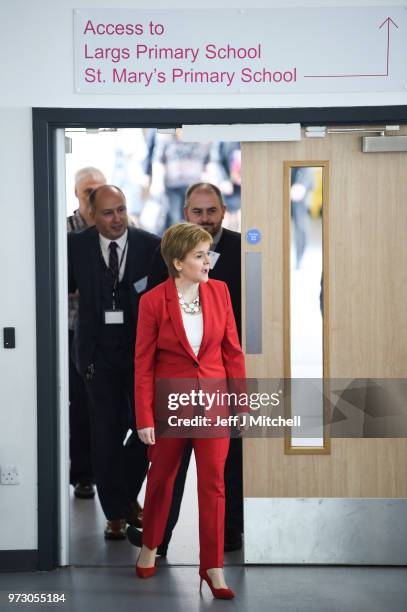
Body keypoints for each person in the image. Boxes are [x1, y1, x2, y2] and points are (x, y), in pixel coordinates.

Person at [130, 182, 243, 553]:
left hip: (214, 394)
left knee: (219, 479)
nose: (206, 218)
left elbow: (235, 347)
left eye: (212, 211)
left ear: (224, 211)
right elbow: (144, 359)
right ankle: (156, 543)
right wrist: (145, 414)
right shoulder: (158, 287)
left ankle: (221, 548)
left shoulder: (240, 257)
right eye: (198, 211)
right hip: (172, 400)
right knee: (165, 477)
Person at [68, 185, 160, 539]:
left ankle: (121, 495)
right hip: (96, 357)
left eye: (121, 209)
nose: (117, 218)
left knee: (145, 431)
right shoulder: (75, 246)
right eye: (108, 213)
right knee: (104, 435)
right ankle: (115, 515)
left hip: (140, 355)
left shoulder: (150, 245)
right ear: (93, 216)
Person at [68, 167, 106, 500]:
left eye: (99, 188)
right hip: (75, 333)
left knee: (115, 408)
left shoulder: (125, 227)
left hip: (116, 337)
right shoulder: (63, 230)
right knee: (81, 405)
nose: (93, 195)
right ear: (76, 195)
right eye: (87, 191)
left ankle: (111, 474)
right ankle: (83, 475)